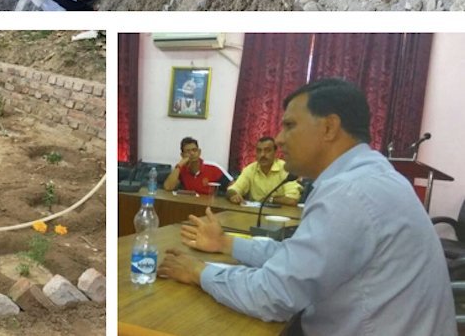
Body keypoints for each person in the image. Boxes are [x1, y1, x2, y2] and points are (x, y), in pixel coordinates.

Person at [159, 78, 457, 336]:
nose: (278, 139)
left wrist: (199, 273)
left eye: (289, 125)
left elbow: (273, 295)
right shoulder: (368, 175)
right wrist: (227, 243)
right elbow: (299, 258)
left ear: (329, 127)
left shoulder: (350, 192)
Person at [226, 136, 302, 205]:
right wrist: (233, 195)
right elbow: (232, 189)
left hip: (281, 216)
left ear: (275, 153)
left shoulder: (285, 168)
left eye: (267, 150)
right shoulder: (250, 169)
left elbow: (292, 200)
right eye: (259, 151)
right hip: (254, 214)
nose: (262, 155)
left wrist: (269, 199)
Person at [162, 137, 232, 194]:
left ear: (199, 152)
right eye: (188, 151)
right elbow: (168, 187)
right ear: (182, 155)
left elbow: (233, 185)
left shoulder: (213, 167)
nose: (192, 153)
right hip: (190, 205)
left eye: (194, 150)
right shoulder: (181, 169)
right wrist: (179, 165)